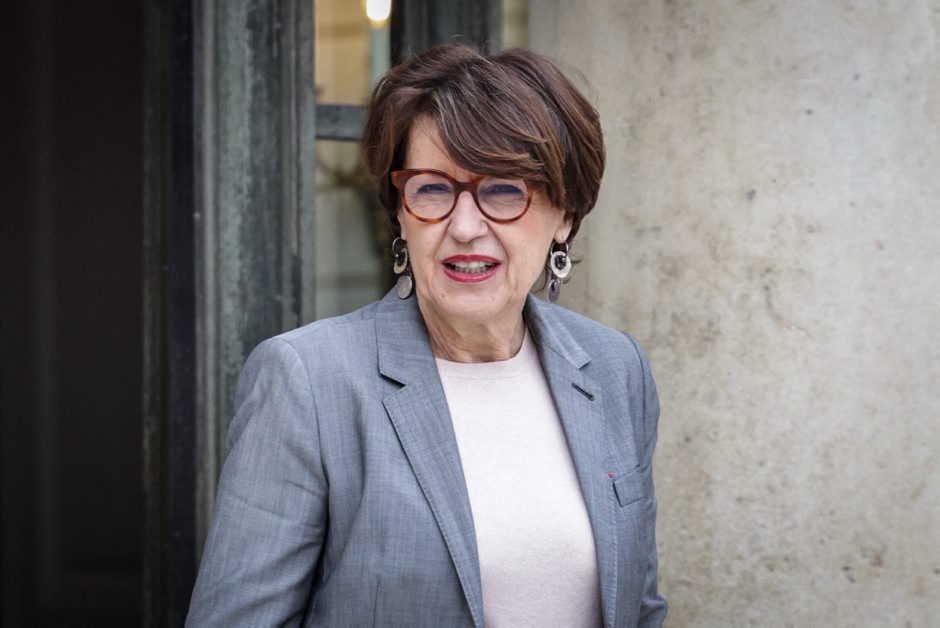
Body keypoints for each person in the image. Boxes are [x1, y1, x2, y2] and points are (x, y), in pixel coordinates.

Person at [186, 43, 666, 627]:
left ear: (565, 213)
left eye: (504, 190)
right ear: (400, 211)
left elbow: (638, 607)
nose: (464, 227)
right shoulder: (309, 381)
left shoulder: (615, 367)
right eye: (433, 189)